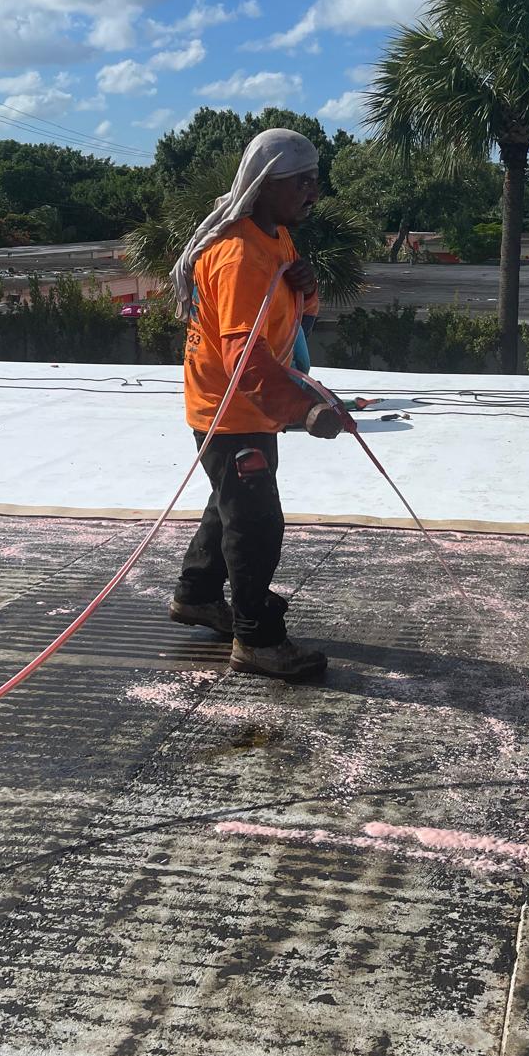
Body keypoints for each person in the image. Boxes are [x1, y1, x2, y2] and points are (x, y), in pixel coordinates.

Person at [166, 129, 343, 680]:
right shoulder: (239, 254)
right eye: (301, 181)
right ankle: (256, 638)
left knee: (230, 505)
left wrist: (307, 289)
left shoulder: (273, 238)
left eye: (316, 180)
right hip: (231, 408)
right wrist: (305, 410)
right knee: (257, 522)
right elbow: (245, 356)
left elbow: (290, 324)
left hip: (240, 406)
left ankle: (196, 593)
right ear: (265, 184)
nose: (313, 191)